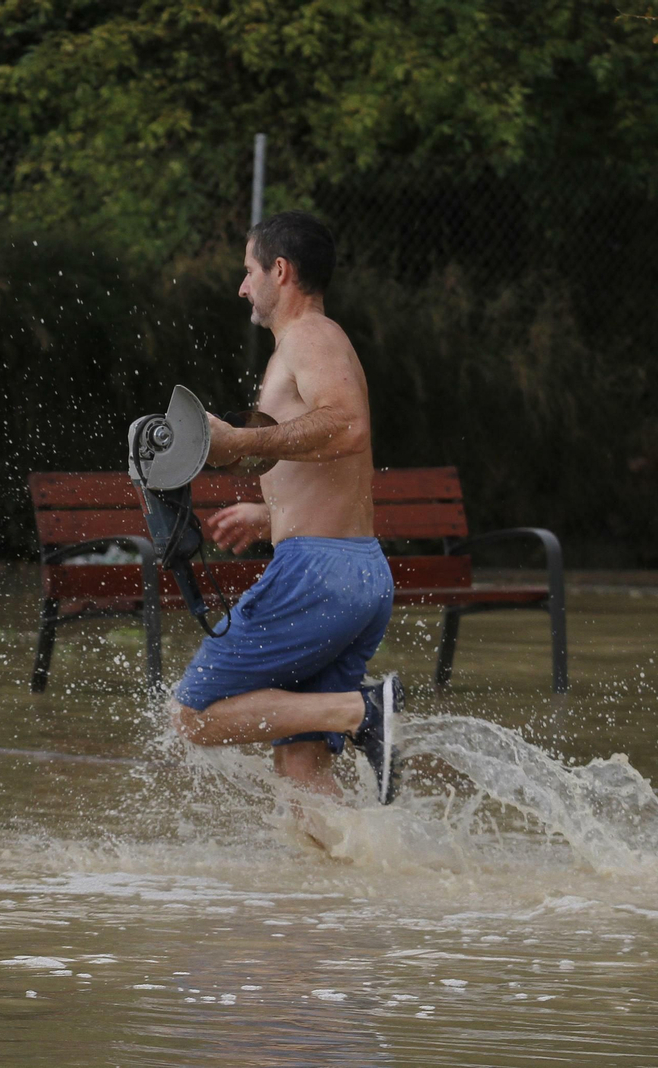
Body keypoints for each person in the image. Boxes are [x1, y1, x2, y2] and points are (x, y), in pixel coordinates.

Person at [171, 210, 401, 803]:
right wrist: (270, 516)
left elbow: (348, 426)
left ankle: (364, 711)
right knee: (300, 763)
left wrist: (242, 441)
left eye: (248, 271)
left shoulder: (310, 336)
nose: (242, 286)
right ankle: (345, 885)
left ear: (280, 270)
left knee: (195, 716)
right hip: (354, 571)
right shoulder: (306, 346)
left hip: (319, 573)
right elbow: (333, 470)